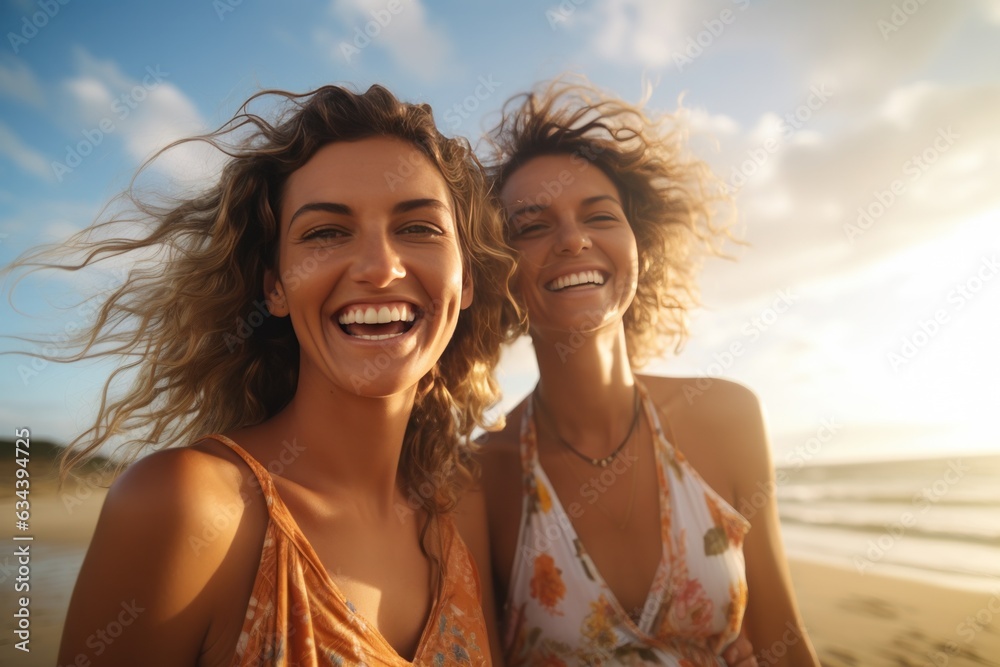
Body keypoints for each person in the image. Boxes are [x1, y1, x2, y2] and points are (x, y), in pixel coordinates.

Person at [8, 84, 517, 665]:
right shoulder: (187, 508)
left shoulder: (460, 510)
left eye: (419, 228)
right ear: (274, 286)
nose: (380, 267)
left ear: (467, 279)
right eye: (326, 232)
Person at [478, 80, 820, 666]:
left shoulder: (727, 416)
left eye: (599, 215)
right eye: (531, 226)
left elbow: (785, 643)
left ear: (639, 243)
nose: (574, 239)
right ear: (495, 271)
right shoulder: (484, 475)